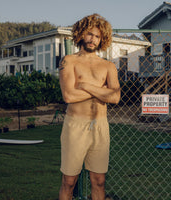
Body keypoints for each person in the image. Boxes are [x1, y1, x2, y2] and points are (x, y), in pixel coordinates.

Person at [58, 13, 120, 200]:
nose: (93, 39)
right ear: (81, 34)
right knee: (69, 181)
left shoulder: (108, 66)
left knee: (99, 180)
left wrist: (85, 86)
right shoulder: (69, 61)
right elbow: (68, 96)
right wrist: (102, 91)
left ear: (103, 39)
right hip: (75, 125)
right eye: (90, 34)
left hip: (100, 126)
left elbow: (115, 97)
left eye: (98, 36)